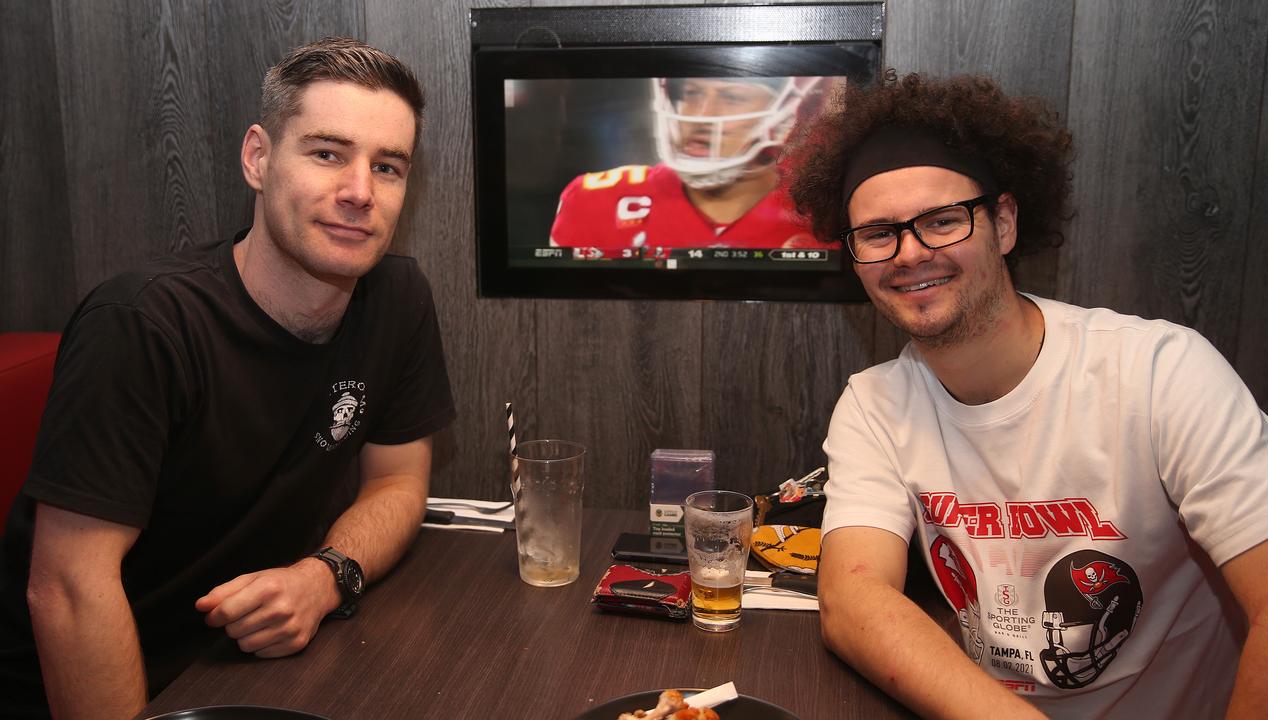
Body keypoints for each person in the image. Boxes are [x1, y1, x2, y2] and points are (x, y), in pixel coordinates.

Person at [786, 72, 1268, 718]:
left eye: (942, 220)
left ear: (1005, 223)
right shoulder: (876, 403)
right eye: (879, 234)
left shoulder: (1161, 371)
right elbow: (853, 603)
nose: (909, 253)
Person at [0, 37, 455, 719]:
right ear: (258, 158)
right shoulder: (141, 323)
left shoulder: (399, 296)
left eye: (387, 167)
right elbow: (68, 588)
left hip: (249, 668)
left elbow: (397, 481)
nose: (359, 192)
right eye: (327, 154)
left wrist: (324, 578)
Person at [549, 76, 837, 255]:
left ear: (794, 110)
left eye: (732, 97)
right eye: (691, 93)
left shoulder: (826, 206)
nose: (701, 114)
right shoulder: (597, 201)